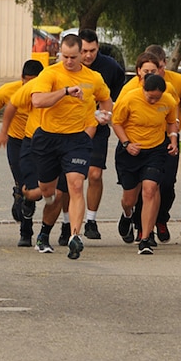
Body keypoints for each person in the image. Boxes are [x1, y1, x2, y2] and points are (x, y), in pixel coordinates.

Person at [29, 34, 113, 260]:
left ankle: (76, 236)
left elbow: (105, 99)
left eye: (73, 57)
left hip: (77, 140)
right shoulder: (50, 73)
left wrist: (105, 115)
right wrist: (65, 91)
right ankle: (44, 232)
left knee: (75, 186)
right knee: (50, 192)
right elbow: (37, 101)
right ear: (60, 54)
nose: (69, 61)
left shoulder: (93, 77)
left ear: (81, 55)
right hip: (48, 138)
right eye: (65, 57)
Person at [115, 52, 181, 244]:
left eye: (156, 98)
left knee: (150, 189)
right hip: (131, 151)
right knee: (130, 199)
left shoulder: (168, 99)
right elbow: (117, 122)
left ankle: (145, 236)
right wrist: (127, 144)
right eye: (149, 98)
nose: (153, 101)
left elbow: (172, 121)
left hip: (155, 151)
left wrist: (173, 138)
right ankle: (127, 215)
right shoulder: (129, 97)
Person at [0, 60, 45, 245]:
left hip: (43, 142)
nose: (31, 88)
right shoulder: (8, 91)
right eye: (27, 83)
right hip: (18, 143)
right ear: (21, 79)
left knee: (40, 189)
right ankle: (26, 232)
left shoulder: (50, 92)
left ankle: (25, 199)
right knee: (26, 183)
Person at [76, 29, 125, 241]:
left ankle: (91, 220)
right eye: (84, 51)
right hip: (71, 127)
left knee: (95, 174)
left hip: (98, 128)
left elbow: (116, 96)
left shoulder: (110, 67)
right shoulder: (67, 68)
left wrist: (106, 112)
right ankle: (68, 222)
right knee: (73, 177)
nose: (88, 56)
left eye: (92, 51)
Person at [142, 44, 181, 241]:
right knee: (148, 186)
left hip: (169, 137)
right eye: (151, 70)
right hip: (145, 139)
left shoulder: (177, 82)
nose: (157, 73)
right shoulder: (136, 87)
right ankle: (143, 227)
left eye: (160, 68)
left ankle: (161, 218)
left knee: (166, 184)